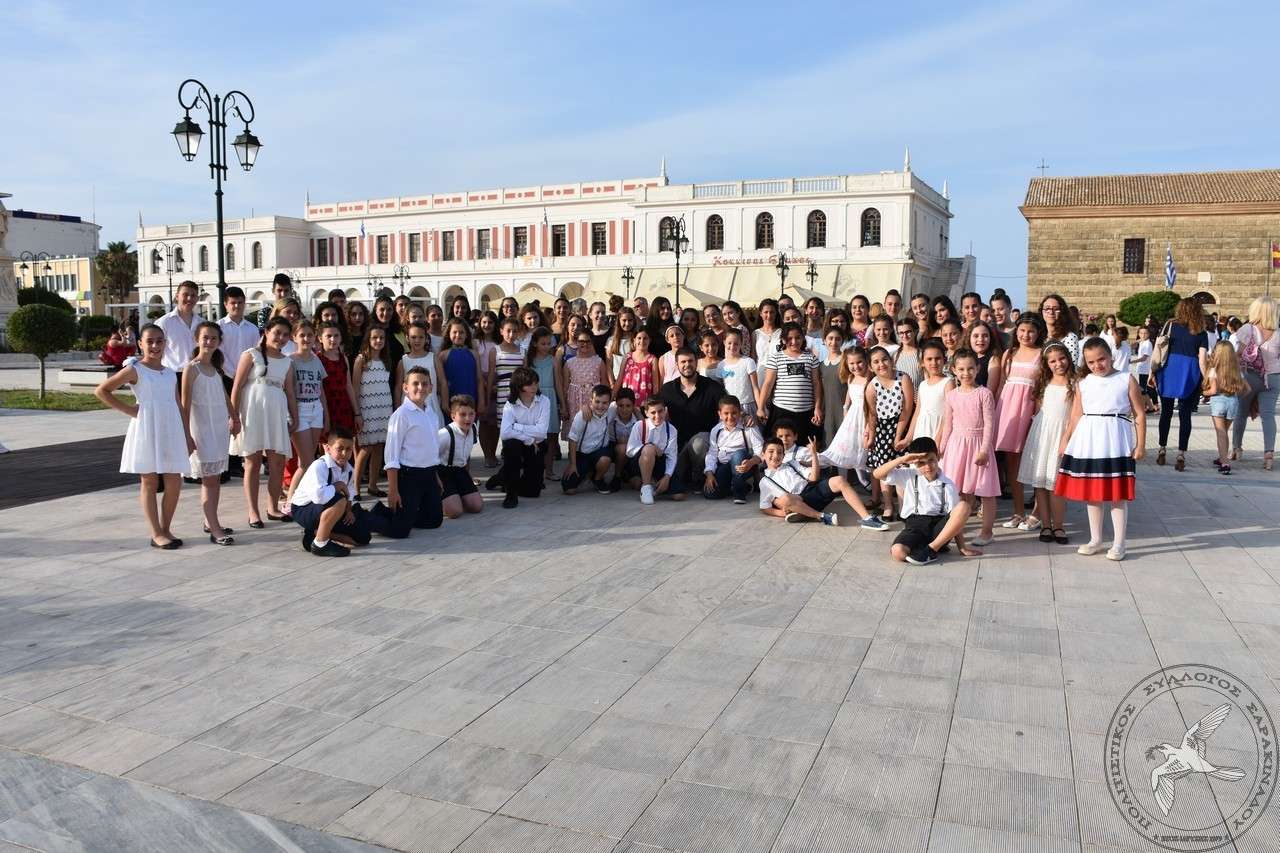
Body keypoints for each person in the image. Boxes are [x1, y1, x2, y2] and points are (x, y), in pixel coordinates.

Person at [95, 324, 193, 549]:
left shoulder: (170, 372)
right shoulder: (135, 369)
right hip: (147, 427)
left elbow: (178, 405)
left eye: (159, 341)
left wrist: (187, 435)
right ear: (140, 344)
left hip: (170, 428)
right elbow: (102, 391)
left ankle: (166, 528)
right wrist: (131, 410)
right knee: (149, 480)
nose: (155, 345)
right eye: (150, 341)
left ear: (165, 343)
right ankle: (156, 532)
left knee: (174, 479)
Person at [1055, 337, 1146, 561]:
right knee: (1092, 493)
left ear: (1111, 356)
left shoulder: (1126, 379)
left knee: (1117, 494)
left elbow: (1139, 414)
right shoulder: (1083, 383)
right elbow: (1076, 414)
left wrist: (1141, 444)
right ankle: (1095, 539)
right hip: (1089, 439)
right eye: (1091, 362)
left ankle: (1119, 543)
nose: (1097, 365)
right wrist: (1066, 438)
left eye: (1101, 359)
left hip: (1115, 439)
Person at [231, 317, 297, 528]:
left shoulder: (287, 362)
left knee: (277, 463)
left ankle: (273, 507)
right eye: (277, 332)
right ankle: (253, 511)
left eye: (285, 335)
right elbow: (237, 386)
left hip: (276, 412)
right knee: (253, 462)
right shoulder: (251, 354)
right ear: (267, 332)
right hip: (253, 411)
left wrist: (294, 416)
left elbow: (290, 392)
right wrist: (234, 416)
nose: (281, 338)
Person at [875, 438, 976, 565]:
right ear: (914, 462)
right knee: (897, 552)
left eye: (931, 460)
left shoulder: (948, 484)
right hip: (915, 526)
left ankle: (931, 549)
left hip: (939, 529)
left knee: (963, 506)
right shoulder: (909, 476)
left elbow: (956, 520)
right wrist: (902, 459)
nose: (927, 467)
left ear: (937, 457)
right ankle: (923, 548)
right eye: (921, 463)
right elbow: (877, 474)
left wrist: (962, 547)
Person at [182, 322, 238, 545]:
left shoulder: (215, 368)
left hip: (218, 429)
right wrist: (187, 435)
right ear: (197, 339)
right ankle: (214, 528)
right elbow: (185, 405)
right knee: (209, 480)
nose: (209, 342)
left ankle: (211, 521)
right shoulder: (191, 369)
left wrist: (234, 417)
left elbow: (224, 396)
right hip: (202, 430)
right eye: (205, 337)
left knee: (215, 478)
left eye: (214, 338)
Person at [937, 349, 1000, 545]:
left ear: (978, 368)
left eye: (970, 368)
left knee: (986, 491)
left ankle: (987, 532)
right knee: (960, 491)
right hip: (957, 446)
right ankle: (957, 530)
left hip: (979, 446)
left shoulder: (984, 394)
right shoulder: (952, 395)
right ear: (954, 370)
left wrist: (984, 450)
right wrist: (942, 448)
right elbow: (948, 424)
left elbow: (990, 424)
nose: (966, 373)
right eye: (961, 369)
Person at [1017, 343, 1075, 545]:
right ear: (1046, 364)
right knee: (1040, 483)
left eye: (1062, 358)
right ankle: (1045, 526)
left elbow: (1075, 414)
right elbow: (1039, 411)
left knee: (1056, 484)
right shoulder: (1044, 383)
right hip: (1042, 435)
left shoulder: (1075, 383)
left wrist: (1068, 437)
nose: (1058, 364)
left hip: (1062, 435)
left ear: (1069, 358)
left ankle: (1058, 525)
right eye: (1053, 361)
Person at [377, 365, 444, 535]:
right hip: (409, 476)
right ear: (405, 387)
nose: (420, 387)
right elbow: (392, 455)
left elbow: (431, 449)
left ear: (431, 388)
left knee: (434, 520)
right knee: (400, 531)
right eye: (415, 383)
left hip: (429, 474)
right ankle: (371, 516)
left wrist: (436, 477)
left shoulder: (431, 413)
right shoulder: (401, 415)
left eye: (425, 384)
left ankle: (406, 514)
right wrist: (393, 490)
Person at [995, 313, 1046, 529]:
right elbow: (1001, 384)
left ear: (1038, 333)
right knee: (1012, 463)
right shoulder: (1009, 353)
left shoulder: (1042, 354)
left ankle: (1037, 512)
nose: (1026, 335)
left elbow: (1043, 387)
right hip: (1008, 410)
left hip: (1030, 408)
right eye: (1022, 330)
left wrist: (1038, 413)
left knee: (1035, 461)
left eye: (1031, 331)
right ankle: (1017, 512)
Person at [290, 427, 372, 557]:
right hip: (304, 510)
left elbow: (350, 492)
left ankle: (316, 533)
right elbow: (319, 497)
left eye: (348, 449)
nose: (344, 453)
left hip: (330, 509)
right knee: (339, 500)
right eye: (340, 449)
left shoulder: (349, 470)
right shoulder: (319, 466)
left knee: (363, 538)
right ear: (328, 448)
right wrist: (338, 485)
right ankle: (320, 544)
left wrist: (349, 510)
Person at [1153, 297, 1210, 471]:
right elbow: (1202, 360)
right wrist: (1207, 379)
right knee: (1185, 415)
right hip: (1189, 371)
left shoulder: (1170, 325)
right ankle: (1181, 454)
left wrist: (1152, 372)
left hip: (1168, 369)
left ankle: (1162, 448)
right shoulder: (1201, 332)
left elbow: (1158, 349)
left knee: (1166, 412)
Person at [657, 348, 724, 491]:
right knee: (675, 480)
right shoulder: (667, 390)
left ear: (696, 363)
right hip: (677, 446)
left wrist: (745, 416)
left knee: (698, 443)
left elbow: (727, 408)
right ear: (677, 365)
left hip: (703, 445)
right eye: (683, 362)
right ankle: (685, 476)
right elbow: (653, 412)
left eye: (690, 361)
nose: (687, 365)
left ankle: (699, 477)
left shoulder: (711, 387)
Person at [864, 345, 914, 520]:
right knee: (884, 469)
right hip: (882, 430)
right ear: (870, 367)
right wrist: (871, 436)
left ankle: (903, 506)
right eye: (876, 362)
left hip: (902, 425)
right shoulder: (872, 386)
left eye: (884, 359)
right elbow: (872, 415)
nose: (881, 364)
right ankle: (887, 505)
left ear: (891, 360)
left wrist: (899, 435)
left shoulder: (903, 378)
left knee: (902, 468)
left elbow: (907, 409)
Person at [1231, 296, 1280, 471]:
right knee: (1268, 415)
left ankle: (1236, 448)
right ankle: (1269, 454)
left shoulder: (1248, 329)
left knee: (1241, 412)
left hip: (1250, 376)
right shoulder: (1278, 332)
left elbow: (1238, 354)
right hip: (1273, 377)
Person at [761, 322, 822, 444]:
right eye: (789, 338)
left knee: (805, 445)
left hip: (806, 411)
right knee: (780, 444)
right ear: (783, 340)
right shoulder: (776, 358)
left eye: (797, 337)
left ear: (803, 338)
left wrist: (818, 408)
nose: (794, 341)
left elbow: (816, 384)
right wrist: (761, 407)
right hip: (782, 410)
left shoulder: (811, 358)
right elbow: (767, 384)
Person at [353, 326, 395, 501]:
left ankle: (373, 485)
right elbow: (355, 388)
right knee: (366, 447)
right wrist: (357, 413)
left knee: (379, 447)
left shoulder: (386, 360)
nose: (378, 341)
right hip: (367, 409)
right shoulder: (361, 360)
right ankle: (355, 488)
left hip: (383, 408)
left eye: (381, 338)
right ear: (368, 340)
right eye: (374, 337)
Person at [498, 366, 550, 508]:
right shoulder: (510, 404)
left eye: (536, 383)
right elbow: (505, 433)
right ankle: (511, 494)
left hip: (537, 445)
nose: (534, 387)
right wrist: (528, 439)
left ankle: (502, 477)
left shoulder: (544, 401)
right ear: (519, 386)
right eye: (529, 384)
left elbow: (541, 432)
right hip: (521, 444)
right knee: (511, 446)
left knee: (533, 491)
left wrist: (517, 426)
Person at [820, 346, 872, 482]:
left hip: (866, 416)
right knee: (850, 446)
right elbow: (849, 394)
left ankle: (868, 480)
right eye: (852, 363)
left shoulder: (870, 378)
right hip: (853, 417)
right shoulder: (850, 378)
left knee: (864, 447)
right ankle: (858, 479)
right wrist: (845, 408)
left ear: (866, 361)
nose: (856, 366)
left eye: (859, 362)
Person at [289, 321, 330, 488]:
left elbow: (321, 391)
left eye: (310, 335)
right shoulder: (290, 361)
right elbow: (288, 391)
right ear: (294, 337)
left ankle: (303, 495)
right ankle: (291, 498)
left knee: (307, 461)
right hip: (299, 409)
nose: (306, 338)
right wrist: (293, 415)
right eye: (302, 335)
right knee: (307, 462)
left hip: (316, 409)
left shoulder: (316, 360)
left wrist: (326, 416)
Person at [702, 395, 763, 504]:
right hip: (724, 466)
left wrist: (751, 462)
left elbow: (761, 451)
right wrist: (709, 473)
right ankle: (736, 487)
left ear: (740, 413)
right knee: (710, 492)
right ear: (720, 414)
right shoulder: (716, 430)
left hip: (745, 466)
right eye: (726, 413)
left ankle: (739, 493)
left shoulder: (748, 427)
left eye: (734, 413)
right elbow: (712, 453)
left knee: (738, 455)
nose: (730, 417)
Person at [625, 396, 683, 504]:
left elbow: (672, 456)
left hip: (659, 463)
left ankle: (655, 484)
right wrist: (651, 446)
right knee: (649, 449)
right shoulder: (639, 426)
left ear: (665, 411)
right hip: (640, 462)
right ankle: (646, 486)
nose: (657, 416)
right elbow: (629, 451)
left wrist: (667, 477)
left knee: (678, 495)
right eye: (653, 412)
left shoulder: (671, 430)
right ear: (646, 413)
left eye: (660, 411)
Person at [526, 327, 566, 481]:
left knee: (551, 436)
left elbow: (558, 383)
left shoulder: (554, 360)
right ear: (535, 343)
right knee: (534, 436)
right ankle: (534, 470)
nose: (546, 346)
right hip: (533, 399)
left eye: (549, 343)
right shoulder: (528, 360)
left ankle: (549, 471)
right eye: (543, 343)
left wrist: (563, 405)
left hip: (549, 398)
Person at [1203, 340, 1247, 475]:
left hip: (1218, 401)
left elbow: (1213, 390)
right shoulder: (1236, 371)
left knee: (1221, 433)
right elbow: (1247, 389)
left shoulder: (1213, 370)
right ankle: (1222, 457)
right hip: (1233, 401)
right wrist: (1237, 396)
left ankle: (1225, 463)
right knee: (1225, 432)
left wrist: (1204, 392)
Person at [437, 394, 484, 517]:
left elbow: (465, 454)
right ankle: (433, 499)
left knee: (476, 506)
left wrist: (467, 476)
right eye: (462, 415)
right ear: (453, 416)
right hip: (442, 472)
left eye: (471, 414)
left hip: (459, 471)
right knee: (455, 512)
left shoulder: (473, 428)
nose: (467, 418)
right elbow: (429, 457)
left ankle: (456, 494)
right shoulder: (445, 434)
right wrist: (436, 481)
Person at [563, 384, 614, 495]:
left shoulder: (611, 411)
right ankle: (587, 473)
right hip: (582, 454)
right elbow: (572, 440)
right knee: (569, 490)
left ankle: (597, 479)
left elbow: (629, 405)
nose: (600, 406)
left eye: (605, 403)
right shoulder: (582, 415)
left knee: (605, 459)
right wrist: (573, 464)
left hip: (599, 453)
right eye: (597, 401)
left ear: (610, 403)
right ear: (591, 401)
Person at [396, 321, 444, 425]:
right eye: (413, 337)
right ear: (407, 338)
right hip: (409, 406)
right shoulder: (403, 361)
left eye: (421, 337)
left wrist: (444, 404)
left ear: (426, 339)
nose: (417, 340)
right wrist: (397, 407)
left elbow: (442, 381)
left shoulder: (433, 358)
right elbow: (398, 387)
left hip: (431, 403)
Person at [318, 322, 359, 439]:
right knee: (329, 444)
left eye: (336, 335)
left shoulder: (343, 358)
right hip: (327, 407)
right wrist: (325, 416)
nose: (333, 339)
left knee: (345, 442)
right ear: (320, 338)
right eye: (328, 336)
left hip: (344, 407)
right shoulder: (317, 359)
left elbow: (348, 386)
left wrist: (357, 413)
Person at [719, 328, 762, 427]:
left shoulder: (748, 362)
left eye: (736, 343)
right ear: (724, 342)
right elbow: (722, 388)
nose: (732, 346)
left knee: (750, 431)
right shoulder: (721, 365)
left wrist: (760, 408)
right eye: (729, 343)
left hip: (748, 406)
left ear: (741, 343)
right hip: (730, 408)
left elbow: (755, 387)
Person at [908, 339, 949, 445]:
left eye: (937, 358)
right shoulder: (923, 385)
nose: (933, 363)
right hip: (921, 431)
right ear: (922, 362)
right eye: (929, 359)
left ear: (944, 360)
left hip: (937, 432)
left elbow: (948, 414)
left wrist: (938, 438)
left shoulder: (948, 383)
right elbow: (917, 413)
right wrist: (908, 438)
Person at [157, 280, 203, 373]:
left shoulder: (202, 323)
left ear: (197, 299)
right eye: (185, 295)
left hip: (197, 374)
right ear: (177, 296)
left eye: (193, 295)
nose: (189, 298)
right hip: (172, 374)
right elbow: (156, 351)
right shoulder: (164, 322)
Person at [565, 329, 608, 426]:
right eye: (581, 341)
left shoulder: (599, 361)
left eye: (588, 341)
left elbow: (604, 383)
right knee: (576, 427)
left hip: (594, 399)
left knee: (593, 426)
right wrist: (564, 406)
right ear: (576, 342)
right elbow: (565, 387)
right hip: (575, 400)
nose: (585, 344)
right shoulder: (569, 363)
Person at [217, 287, 259, 382]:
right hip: (225, 377)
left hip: (248, 377)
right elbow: (220, 353)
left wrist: (245, 374)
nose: (237, 306)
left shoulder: (253, 328)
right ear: (225, 305)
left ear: (244, 303)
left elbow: (256, 353)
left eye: (240, 302)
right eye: (233, 303)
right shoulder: (218, 327)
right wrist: (234, 374)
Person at [817, 326, 847, 448]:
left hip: (844, 410)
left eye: (837, 339)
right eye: (830, 338)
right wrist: (819, 409)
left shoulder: (846, 361)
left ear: (842, 341)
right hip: (828, 411)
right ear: (824, 340)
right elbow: (820, 391)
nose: (834, 342)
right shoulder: (821, 365)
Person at [615, 327, 659, 407]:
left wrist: (655, 403)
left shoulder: (652, 359)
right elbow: (619, 379)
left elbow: (655, 385)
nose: (642, 341)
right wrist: (612, 396)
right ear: (634, 340)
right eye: (639, 338)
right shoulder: (627, 357)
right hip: (627, 401)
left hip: (644, 402)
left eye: (645, 338)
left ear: (650, 340)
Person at [1039, 293, 1080, 363]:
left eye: (1055, 309)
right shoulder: (1039, 336)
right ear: (1042, 311)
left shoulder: (1069, 337)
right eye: (1047, 308)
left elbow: (1072, 365)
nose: (1051, 312)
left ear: (1062, 312)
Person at [894, 318, 922, 387]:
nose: (905, 336)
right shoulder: (895, 356)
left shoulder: (922, 354)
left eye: (908, 332)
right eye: (901, 333)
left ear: (915, 331)